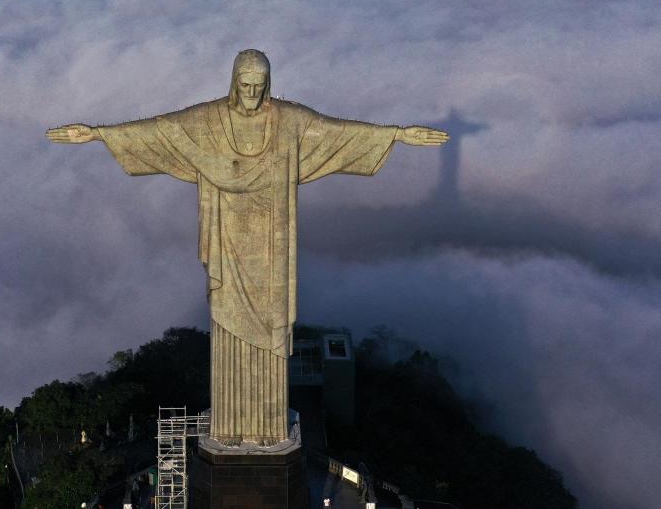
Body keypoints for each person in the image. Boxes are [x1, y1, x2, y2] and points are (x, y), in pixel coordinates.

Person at [46, 49, 449, 445]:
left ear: (268, 83)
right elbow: (162, 130)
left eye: (259, 85)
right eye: (246, 85)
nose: (253, 93)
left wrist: (396, 135)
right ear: (234, 83)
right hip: (228, 239)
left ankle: (268, 429)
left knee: (271, 328)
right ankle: (231, 427)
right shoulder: (209, 120)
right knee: (227, 323)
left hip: (271, 246)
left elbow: (336, 132)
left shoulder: (289, 121)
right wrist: (99, 133)